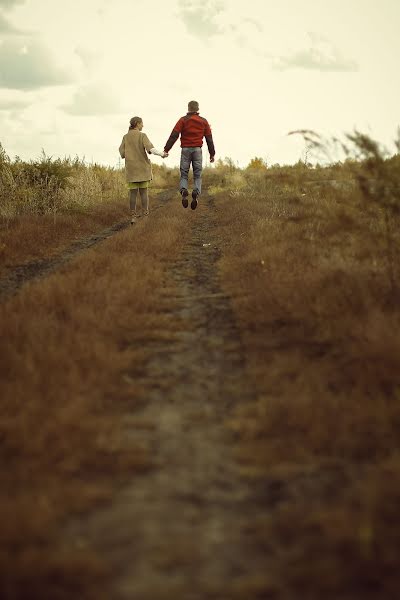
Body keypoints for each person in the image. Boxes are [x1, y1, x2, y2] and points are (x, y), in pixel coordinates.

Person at [164, 100, 215, 210]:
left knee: (184, 174)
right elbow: (209, 139)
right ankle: (196, 192)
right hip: (197, 150)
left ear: (188, 108)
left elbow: (174, 135)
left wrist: (166, 149)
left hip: (185, 150)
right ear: (198, 109)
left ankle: (183, 191)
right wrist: (212, 154)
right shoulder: (203, 121)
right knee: (197, 174)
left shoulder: (183, 120)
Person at [119, 117, 167, 224]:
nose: (143, 126)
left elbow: (122, 153)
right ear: (137, 124)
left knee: (133, 194)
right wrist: (162, 154)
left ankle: (133, 217)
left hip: (131, 170)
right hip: (143, 169)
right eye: (142, 124)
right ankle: (145, 216)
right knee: (144, 193)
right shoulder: (142, 135)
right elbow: (151, 149)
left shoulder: (125, 137)